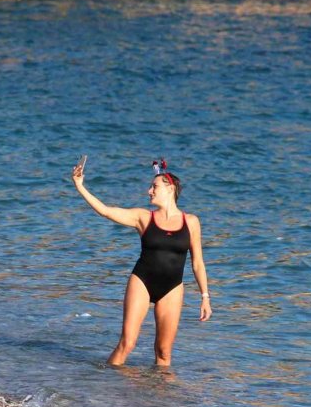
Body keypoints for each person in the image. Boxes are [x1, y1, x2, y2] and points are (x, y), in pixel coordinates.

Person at [71, 156, 212, 366]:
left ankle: (159, 398)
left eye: (154, 187)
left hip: (172, 289)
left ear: (170, 189)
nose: (149, 191)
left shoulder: (191, 222)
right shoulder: (143, 217)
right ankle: (103, 389)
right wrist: (80, 186)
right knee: (127, 343)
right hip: (142, 282)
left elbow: (198, 263)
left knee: (164, 353)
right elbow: (106, 211)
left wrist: (205, 296)